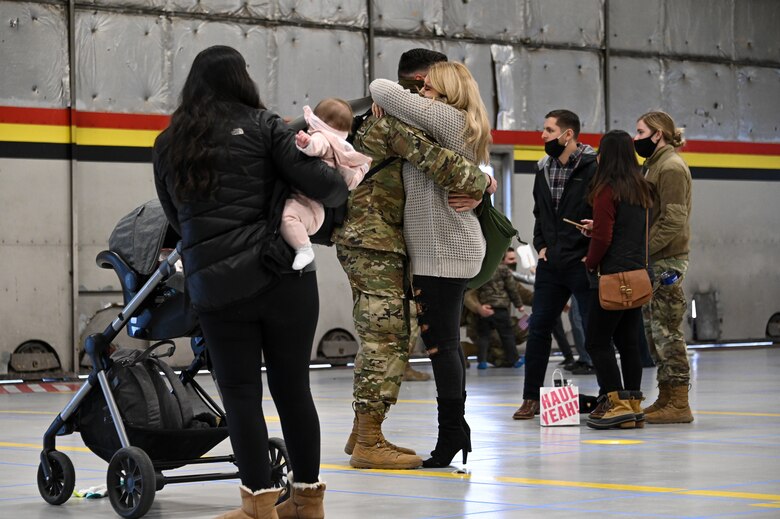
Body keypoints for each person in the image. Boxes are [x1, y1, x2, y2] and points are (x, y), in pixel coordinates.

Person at [153, 46, 347, 519]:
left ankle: (259, 505)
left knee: (241, 395)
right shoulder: (267, 128)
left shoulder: (168, 143)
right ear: (241, 80)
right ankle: (307, 501)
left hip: (218, 289)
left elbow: (174, 218)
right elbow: (328, 188)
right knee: (293, 389)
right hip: (284, 276)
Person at [334, 49, 489, 470]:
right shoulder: (395, 123)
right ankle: (368, 438)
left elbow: (450, 160)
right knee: (386, 337)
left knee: (393, 336)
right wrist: (484, 182)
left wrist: (485, 181)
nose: (423, 93)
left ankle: (366, 431)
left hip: (395, 243)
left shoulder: (420, 119)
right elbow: (444, 165)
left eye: (430, 87)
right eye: (418, 87)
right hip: (375, 242)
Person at [513, 109, 598, 420]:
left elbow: (603, 212)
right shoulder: (543, 169)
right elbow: (541, 215)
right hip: (552, 264)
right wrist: (542, 246)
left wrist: (591, 251)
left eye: (549, 130)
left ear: (568, 135)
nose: (543, 135)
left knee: (594, 330)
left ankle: (609, 396)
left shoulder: (593, 167)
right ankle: (530, 398)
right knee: (538, 329)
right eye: (543, 129)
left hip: (582, 261)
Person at [577, 130, 654, 429]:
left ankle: (615, 403)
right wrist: (598, 227)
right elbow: (626, 229)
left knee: (596, 341)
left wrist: (591, 261)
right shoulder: (641, 189)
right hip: (637, 274)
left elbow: (605, 238)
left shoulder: (605, 189)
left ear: (606, 156)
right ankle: (633, 404)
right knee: (629, 341)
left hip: (611, 276)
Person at [634, 110, 694, 424]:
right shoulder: (653, 165)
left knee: (667, 331)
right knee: (653, 331)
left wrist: (643, 250)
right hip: (655, 260)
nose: (637, 137)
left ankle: (680, 403)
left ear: (658, 134)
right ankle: (666, 397)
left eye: (641, 132)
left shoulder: (670, 167)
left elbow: (673, 220)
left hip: (666, 260)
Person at [282, 99, 371, 270]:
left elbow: (317, 146)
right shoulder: (342, 146)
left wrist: (306, 143)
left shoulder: (322, 137)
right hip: (314, 206)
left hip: (309, 206)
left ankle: (304, 249)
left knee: (287, 217)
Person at [473, 248, 530, 369]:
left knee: (483, 336)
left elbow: (475, 288)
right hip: (501, 308)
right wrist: (519, 305)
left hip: (485, 307)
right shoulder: (504, 269)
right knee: (507, 335)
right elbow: (512, 289)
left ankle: (481, 362)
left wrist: (479, 306)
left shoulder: (482, 268)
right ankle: (514, 360)